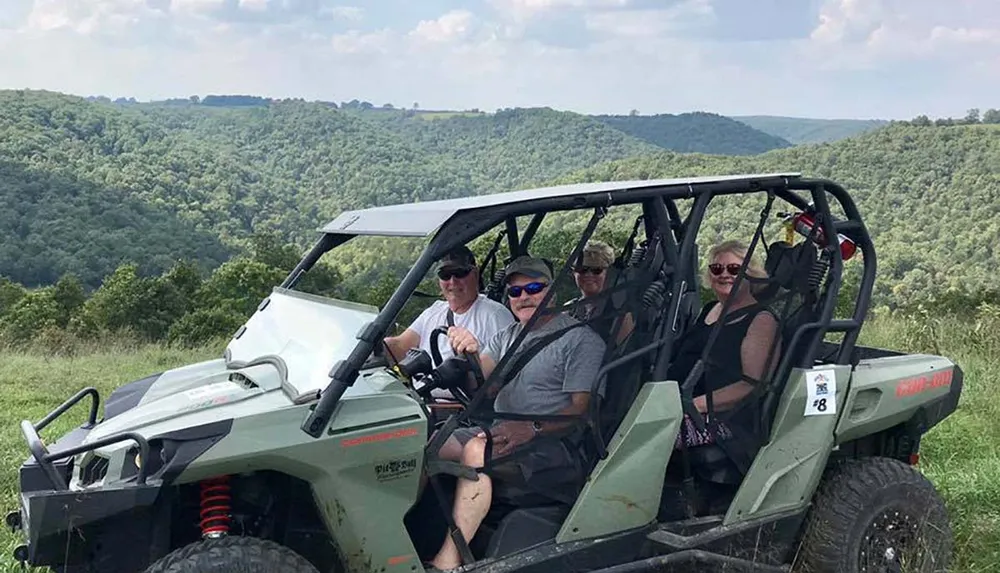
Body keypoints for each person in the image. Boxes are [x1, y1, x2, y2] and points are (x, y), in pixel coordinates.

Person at [427, 255, 607, 572]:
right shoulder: (506, 337)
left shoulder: (580, 340)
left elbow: (582, 410)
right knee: (425, 446)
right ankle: (398, 539)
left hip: (554, 446)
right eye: (515, 292)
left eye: (534, 288)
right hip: (501, 431)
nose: (524, 297)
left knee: (475, 449)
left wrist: (533, 429)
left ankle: (448, 561)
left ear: (551, 291)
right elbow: (484, 382)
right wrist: (468, 353)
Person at [666, 240, 780, 449]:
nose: (724, 274)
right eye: (717, 268)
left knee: (646, 439)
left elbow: (752, 385)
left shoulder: (761, 319)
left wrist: (692, 405)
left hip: (721, 418)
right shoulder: (710, 308)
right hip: (675, 402)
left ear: (751, 274)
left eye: (735, 269)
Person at [383, 245, 514, 371]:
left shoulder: (495, 315)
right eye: (445, 274)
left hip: (466, 394)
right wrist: (376, 345)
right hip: (418, 393)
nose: (452, 281)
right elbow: (400, 346)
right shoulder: (434, 311)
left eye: (459, 273)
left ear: (475, 273)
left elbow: (505, 375)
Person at [564, 240, 634, 344]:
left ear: (607, 272)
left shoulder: (618, 312)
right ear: (574, 272)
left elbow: (625, 353)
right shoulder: (569, 310)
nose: (588, 275)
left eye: (596, 270)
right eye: (582, 269)